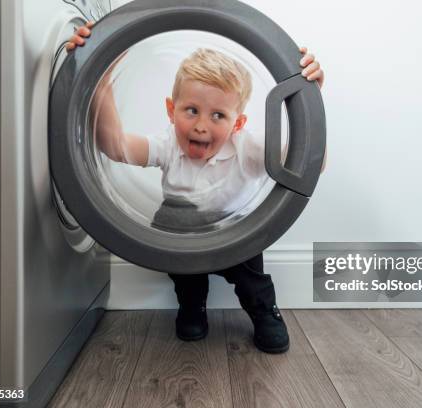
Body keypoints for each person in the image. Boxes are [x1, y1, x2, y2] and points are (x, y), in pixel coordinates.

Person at [67, 22, 325, 353]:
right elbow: (116, 146)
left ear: (238, 123)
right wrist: (100, 83)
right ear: (171, 111)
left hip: (238, 233)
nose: (201, 125)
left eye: (218, 115)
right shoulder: (168, 145)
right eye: (192, 110)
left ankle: (264, 314)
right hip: (183, 238)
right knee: (187, 280)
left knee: (252, 284)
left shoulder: (247, 147)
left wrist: (312, 98)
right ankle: (193, 306)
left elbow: (310, 161)